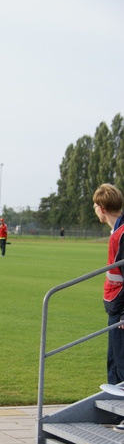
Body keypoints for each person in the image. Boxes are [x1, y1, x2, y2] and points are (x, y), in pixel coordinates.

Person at [93, 183, 124, 431]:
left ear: (102, 208)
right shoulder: (118, 231)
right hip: (115, 310)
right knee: (114, 363)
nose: (95, 209)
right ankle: (115, 414)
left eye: (95, 206)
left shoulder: (120, 235)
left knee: (122, 365)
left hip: (121, 311)